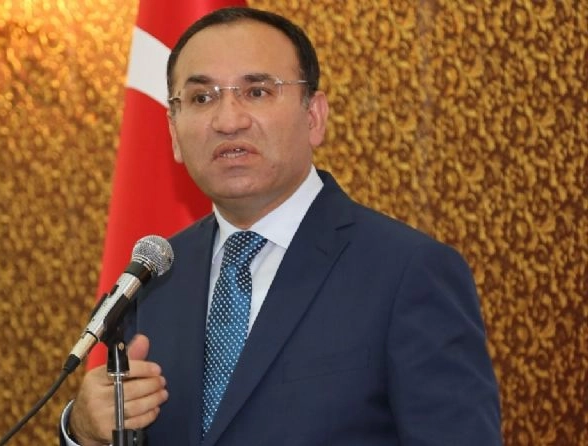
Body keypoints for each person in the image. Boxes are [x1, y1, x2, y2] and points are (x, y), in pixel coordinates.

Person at [60, 6, 503, 446]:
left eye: (257, 92)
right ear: (174, 133)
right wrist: (82, 431)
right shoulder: (155, 279)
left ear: (314, 117)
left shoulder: (408, 272)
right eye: (201, 98)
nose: (228, 120)